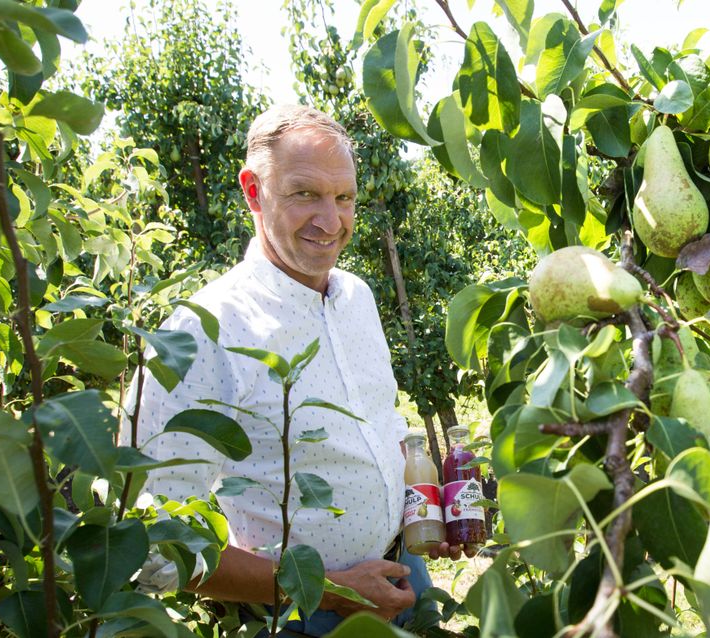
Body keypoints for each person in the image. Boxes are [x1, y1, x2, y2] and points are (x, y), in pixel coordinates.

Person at [130, 104, 463, 634]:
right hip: (300, 616)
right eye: (305, 193)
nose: (331, 222)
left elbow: (380, 427)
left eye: (344, 197)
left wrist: (428, 510)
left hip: (402, 574)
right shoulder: (200, 334)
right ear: (253, 191)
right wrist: (329, 591)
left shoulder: (356, 296)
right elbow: (154, 545)